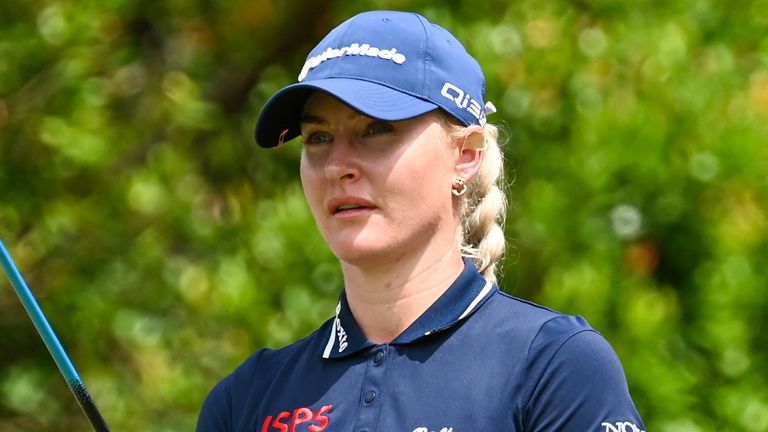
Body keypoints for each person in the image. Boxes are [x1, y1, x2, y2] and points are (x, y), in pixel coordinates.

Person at [197, 10, 645, 432]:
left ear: (466, 156)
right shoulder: (247, 399)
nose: (337, 165)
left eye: (375, 129)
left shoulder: (554, 366)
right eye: (318, 138)